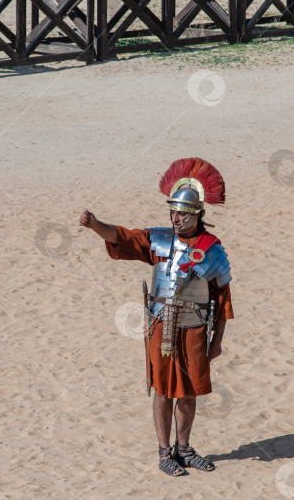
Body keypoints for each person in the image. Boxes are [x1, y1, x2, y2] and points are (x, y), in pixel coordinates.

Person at [79, 157, 234, 477]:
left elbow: (222, 299)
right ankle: (165, 453)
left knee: (189, 393)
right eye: (173, 212)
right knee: (163, 390)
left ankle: (185, 449)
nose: (175, 218)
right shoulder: (160, 240)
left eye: (182, 214)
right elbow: (122, 237)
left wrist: (217, 342)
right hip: (161, 326)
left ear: (197, 215)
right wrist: (96, 225)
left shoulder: (212, 249)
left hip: (194, 328)